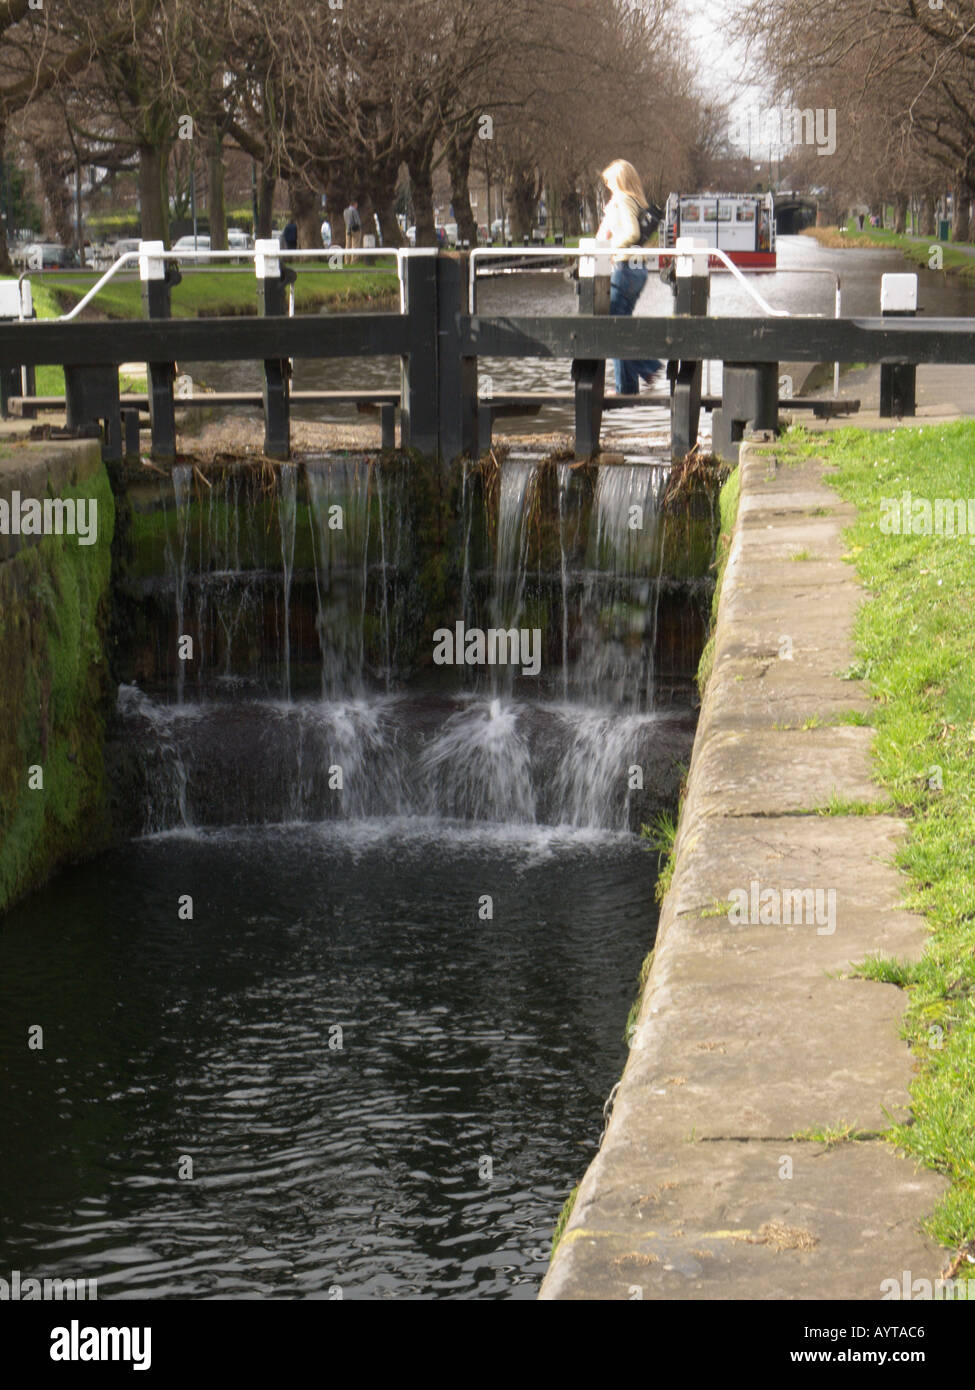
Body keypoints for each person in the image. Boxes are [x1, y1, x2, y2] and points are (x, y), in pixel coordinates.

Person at [596, 159, 662, 395]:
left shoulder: (623, 199)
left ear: (620, 180)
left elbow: (632, 233)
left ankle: (649, 366)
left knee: (611, 326)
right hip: (637, 270)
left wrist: (609, 247)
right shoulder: (635, 200)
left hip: (625, 268)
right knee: (619, 324)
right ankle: (627, 387)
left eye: (610, 181)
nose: (608, 186)